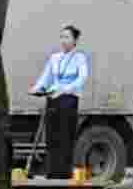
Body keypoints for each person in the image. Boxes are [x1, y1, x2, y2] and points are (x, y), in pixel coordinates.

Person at [32, 28, 90, 181]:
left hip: (69, 99)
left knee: (65, 136)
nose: (63, 40)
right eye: (62, 37)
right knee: (52, 137)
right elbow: (46, 77)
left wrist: (65, 89)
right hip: (53, 98)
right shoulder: (55, 58)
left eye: (67, 37)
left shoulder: (80, 58)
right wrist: (37, 88)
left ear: (75, 40)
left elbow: (81, 79)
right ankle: (52, 172)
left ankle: (64, 173)